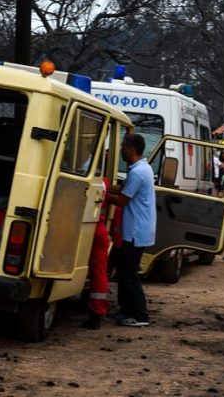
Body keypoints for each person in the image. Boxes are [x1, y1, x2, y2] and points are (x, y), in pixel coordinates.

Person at [107, 133, 156, 327]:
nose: (121, 151)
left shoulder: (137, 172)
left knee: (129, 274)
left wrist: (101, 194)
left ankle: (139, 314)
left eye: (123, 147)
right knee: (126, 271)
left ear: (131, 149)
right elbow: (123, 188)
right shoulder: (142, 168)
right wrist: (109, 187)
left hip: (136, 231)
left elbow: (121, 200)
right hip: (138, 230)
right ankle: (127, 310)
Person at [82, 176, 111, 329]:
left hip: (90, 227)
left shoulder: (88, 178)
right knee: (99, 272)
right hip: (98, 228)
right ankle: (97, 311)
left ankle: (96, 312)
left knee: (97, 272)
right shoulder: (104, 181)